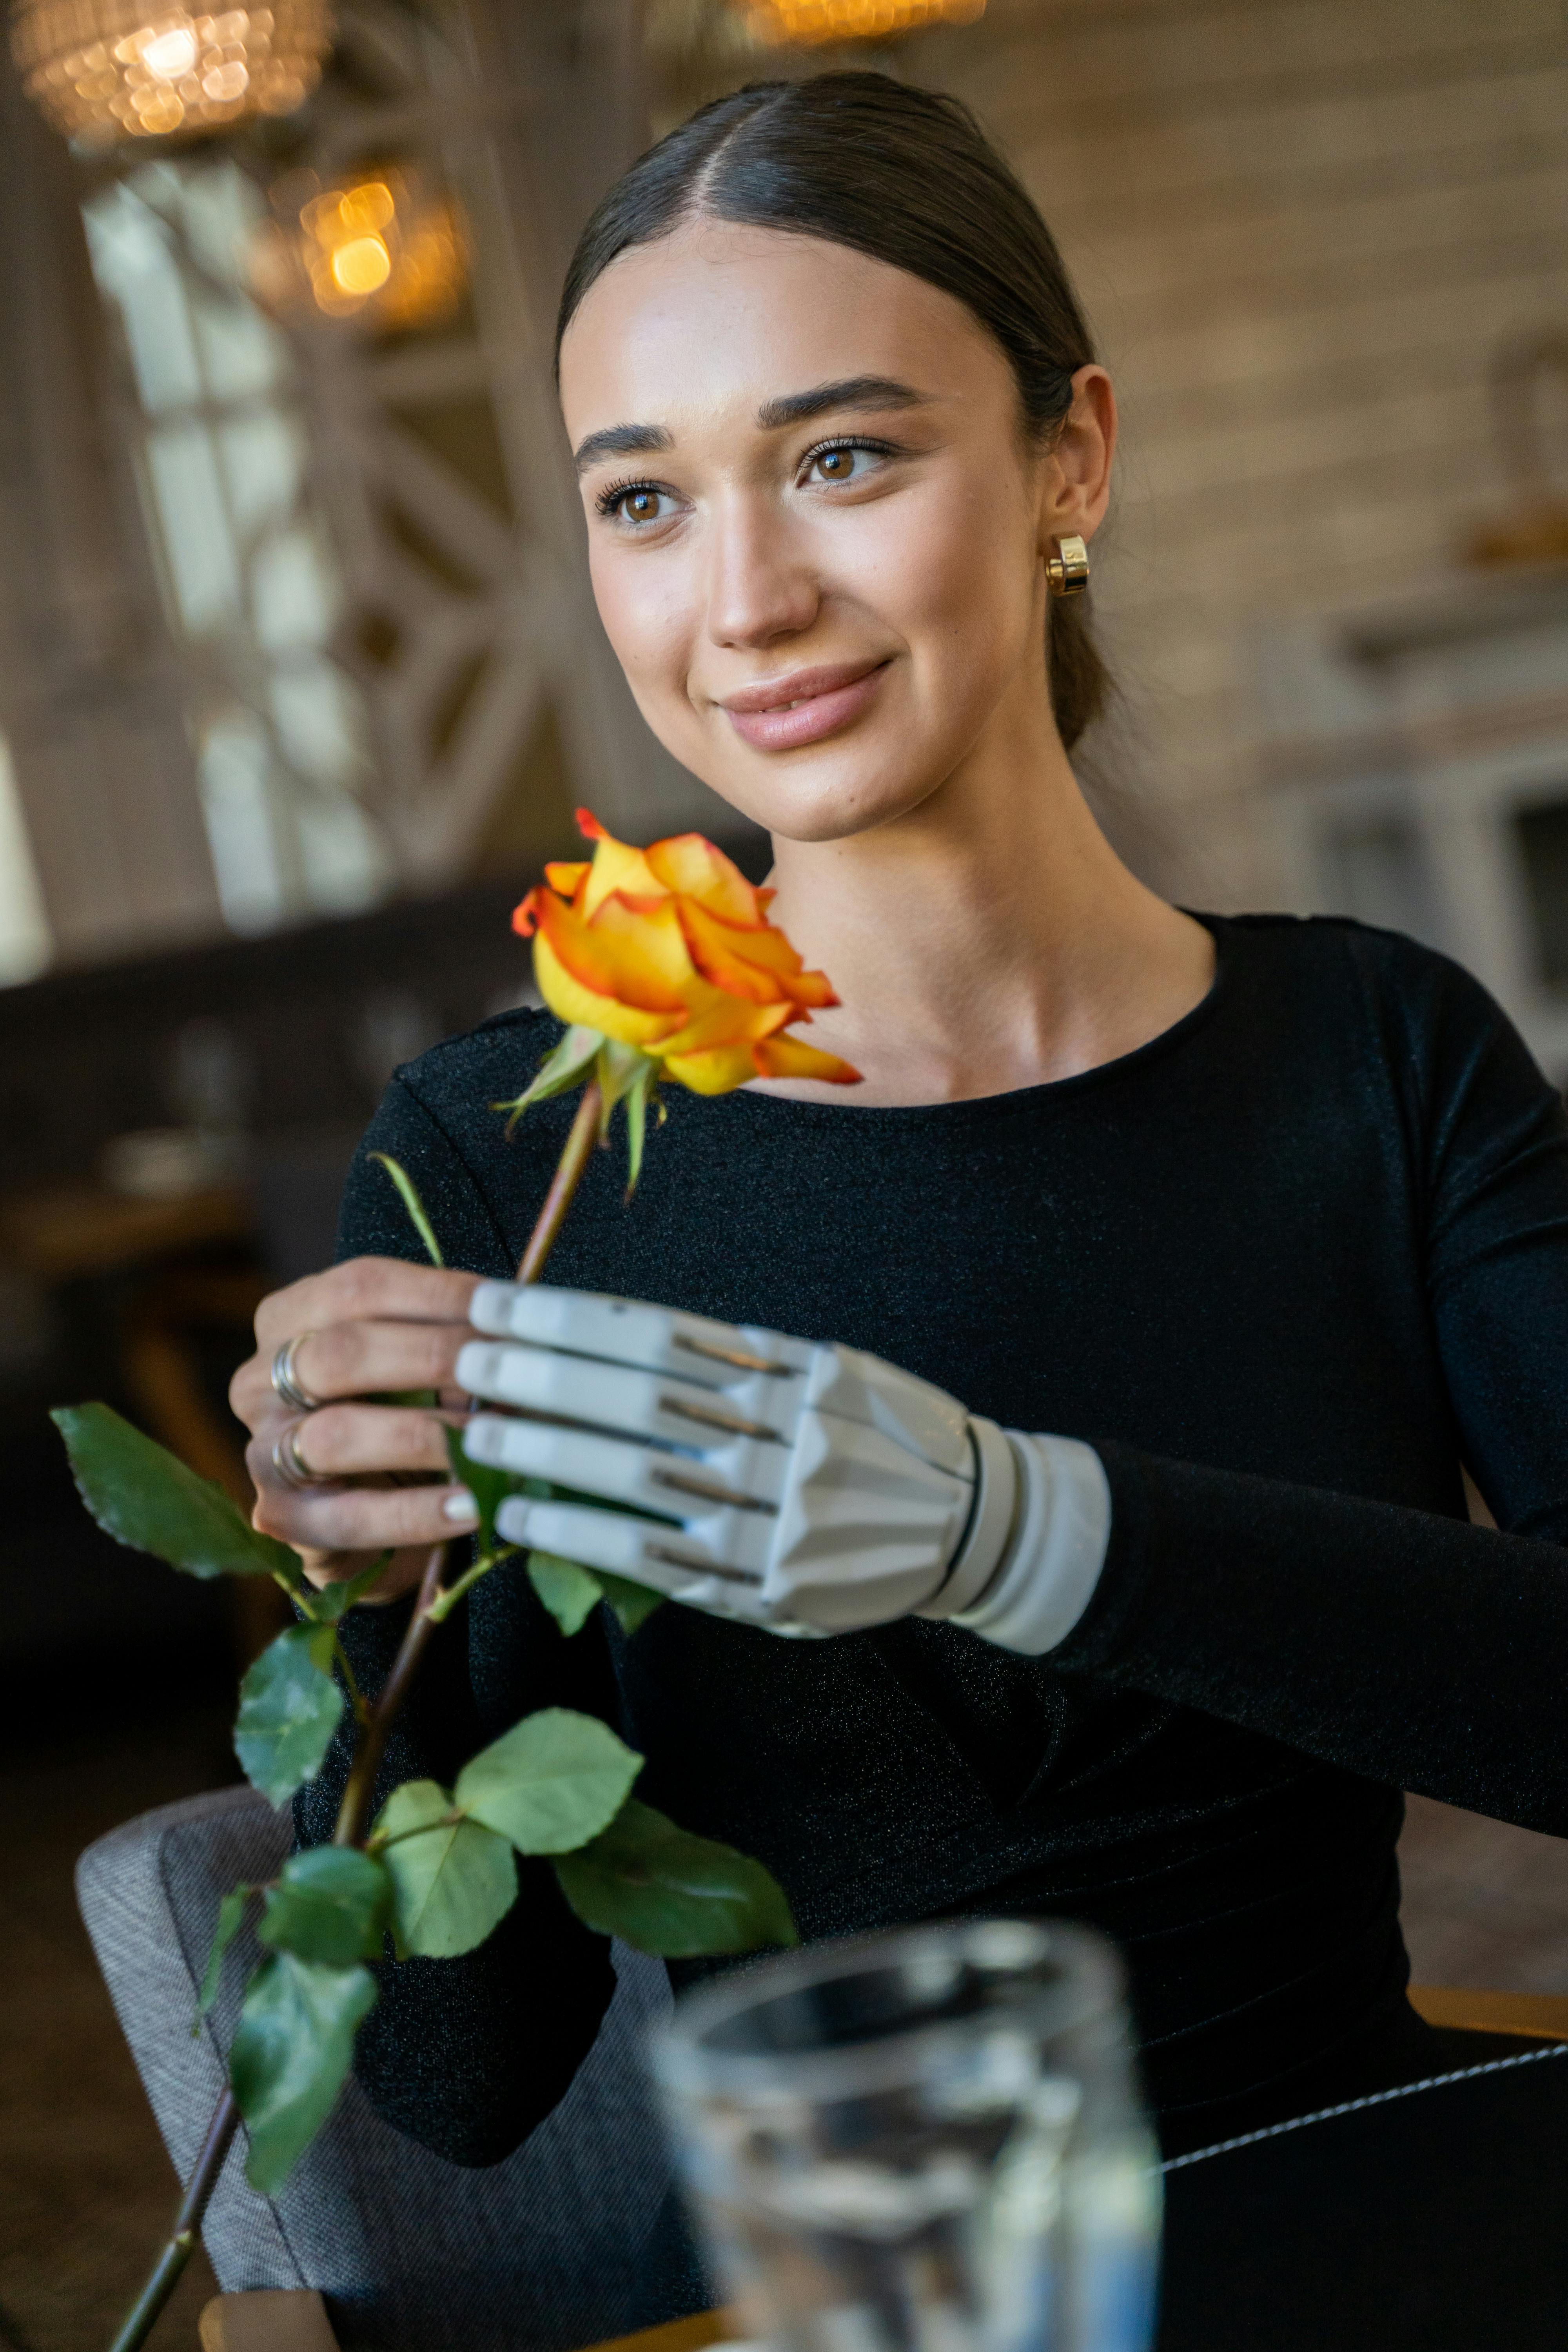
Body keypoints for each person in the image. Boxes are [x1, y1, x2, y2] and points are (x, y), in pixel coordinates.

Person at [231, 70, 1568, 2213]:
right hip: (890, 2288)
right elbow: (455, 2084)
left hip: (1379, 2225)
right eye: (644, 500)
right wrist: (367, 1617)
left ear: (1073, 459)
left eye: (840, 456)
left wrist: (1020, 1532)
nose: (741, 600)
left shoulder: (1377, 1054)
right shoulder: (509, 1161)